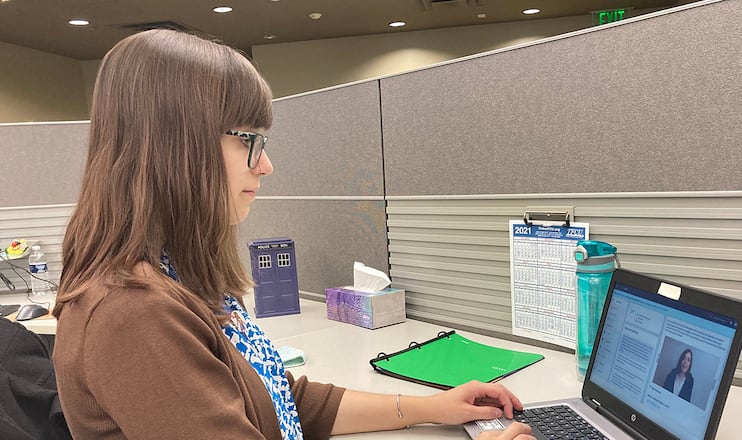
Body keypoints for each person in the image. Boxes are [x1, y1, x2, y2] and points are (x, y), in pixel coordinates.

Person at [51, 29, 535, 440]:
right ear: (176, 145)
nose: (265, 164)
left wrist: (430, 408)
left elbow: (281, 399)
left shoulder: (177, 275)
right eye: (248, 140)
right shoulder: (133, 313)